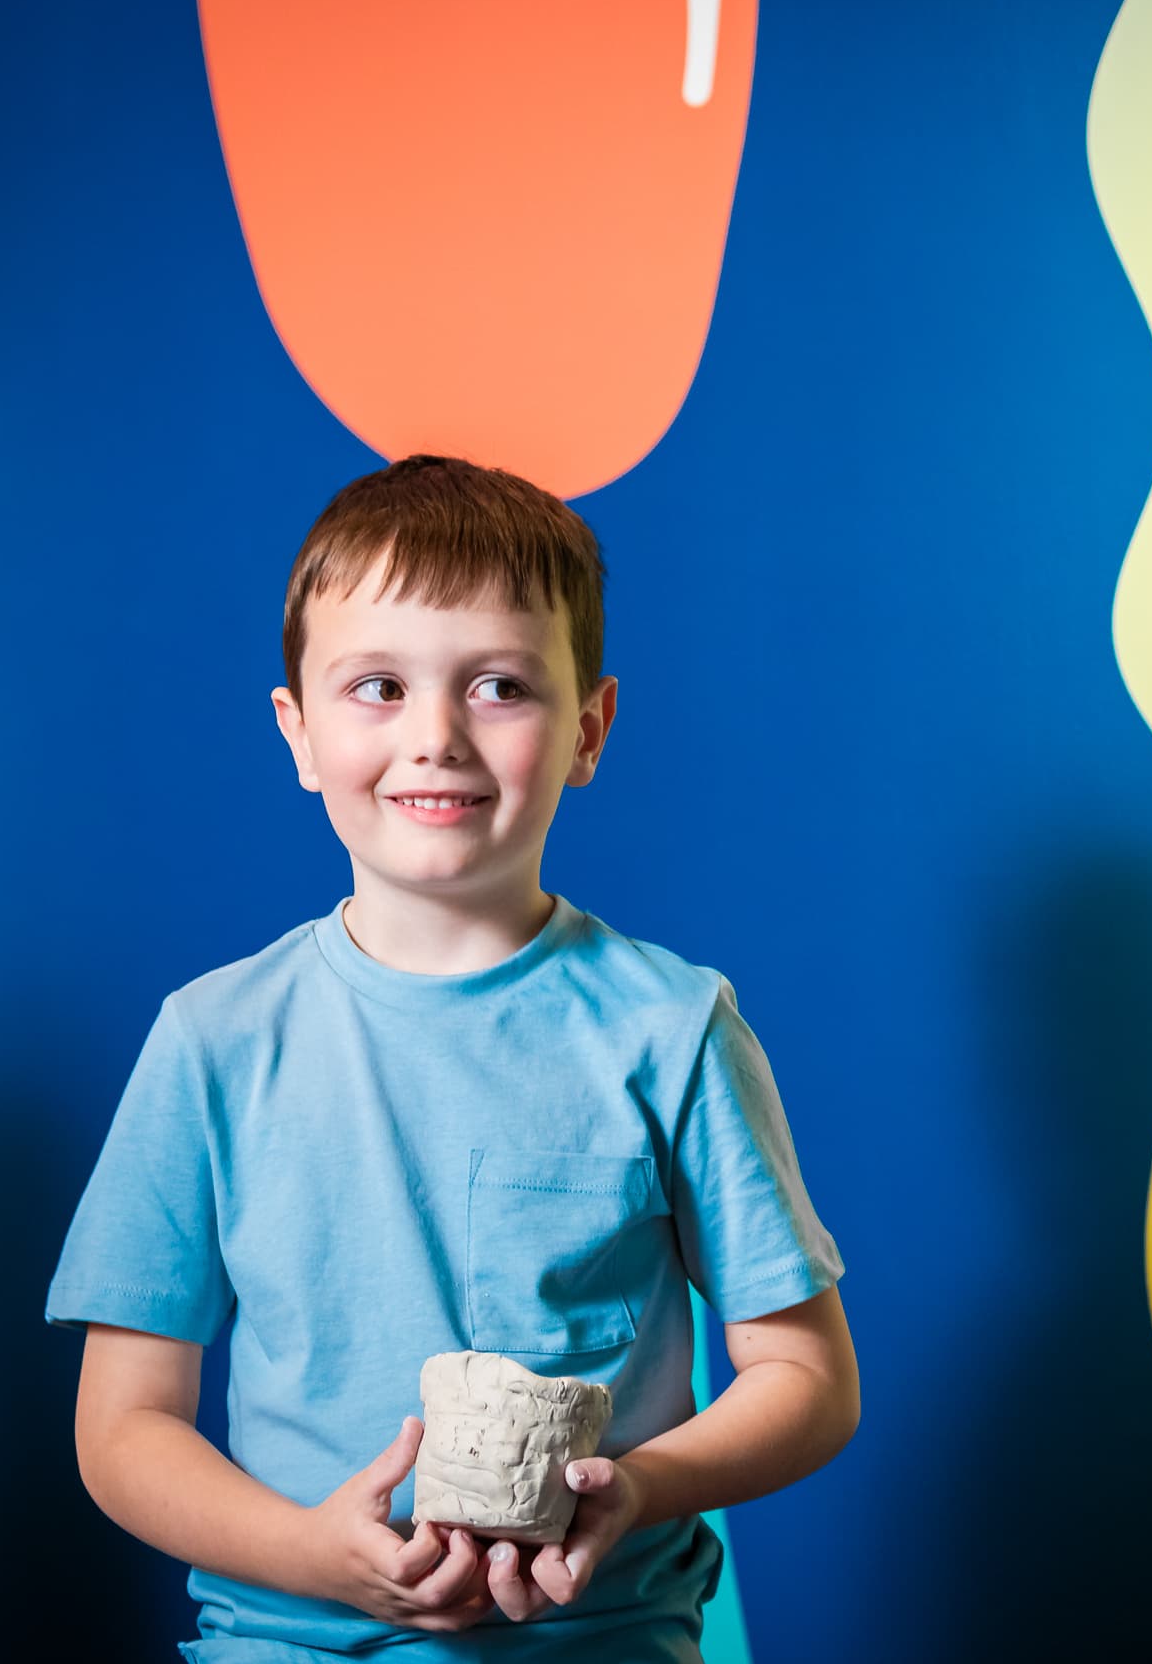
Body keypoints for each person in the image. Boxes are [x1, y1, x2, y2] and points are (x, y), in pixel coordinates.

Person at [44, 454, 857, 1661]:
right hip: (283, 1644)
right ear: (300, 732)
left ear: (588, 728)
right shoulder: (212, 1042)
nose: (434, 738)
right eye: (376, 686)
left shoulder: (673, 1029)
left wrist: (636, 1486)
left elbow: (806, 1378)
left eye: (497, 687)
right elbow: (123, 1428)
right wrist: (310, 1553)